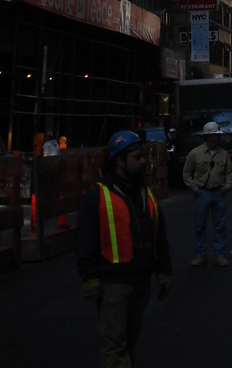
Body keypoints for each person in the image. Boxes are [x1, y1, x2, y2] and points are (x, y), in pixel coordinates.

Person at [76, 131, 172, 368]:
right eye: (137, 157)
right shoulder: (98, 195)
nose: (143, 162)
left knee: (127, 344)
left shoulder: (146, 195)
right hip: (113, 285)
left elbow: (159, 235)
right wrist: (89, 277)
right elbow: (85, 240)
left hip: (140, 282)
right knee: (115, 348)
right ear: (120, 160)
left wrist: (164, 271)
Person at [183, 121, 232, 266]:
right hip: (202, 193)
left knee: (220, 225)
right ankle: (200, 254)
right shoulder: (195, 154)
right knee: (199, 225)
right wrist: (195, 189)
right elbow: (186, 174)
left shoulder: (223, 155)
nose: (218, 138)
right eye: (215, 135)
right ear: (208, 137)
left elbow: (229, 173)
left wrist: (227, 187)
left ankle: (220, 254)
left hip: (218, 192)